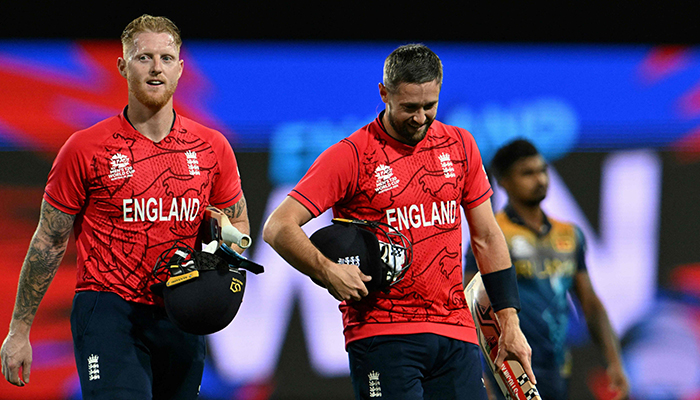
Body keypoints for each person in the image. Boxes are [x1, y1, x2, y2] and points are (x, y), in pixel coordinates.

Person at [263, 43, 534, 400]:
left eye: (429, 106)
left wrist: (509, 322)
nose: (420, 117)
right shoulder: (351, 156)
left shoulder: (461, 145)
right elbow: (278, 227)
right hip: (381, 333)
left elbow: (486, 237)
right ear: (384, 93)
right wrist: (326, 270)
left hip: (454, 331)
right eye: (409, 107)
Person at [0, 14, 249, 399]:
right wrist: (19, 330)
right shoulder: (85, 148)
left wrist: (221, 240)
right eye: (143, 57)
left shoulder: (212, 147)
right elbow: (48, 241)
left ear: (181, 68)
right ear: (122, 66)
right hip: (108, 311)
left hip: (181, 311)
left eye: (166, 58)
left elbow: (239, 226)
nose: (155, 68)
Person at [464, 139, 629, 400]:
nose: (539, 179)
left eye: (542, 170)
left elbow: (590, 305)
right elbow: (470, 308)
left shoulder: (570, 234)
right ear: (504, 181)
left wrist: (615, 361)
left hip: (557, 367)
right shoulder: (492, 236)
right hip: (508, 369)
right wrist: (478, 376)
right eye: (527, 173)